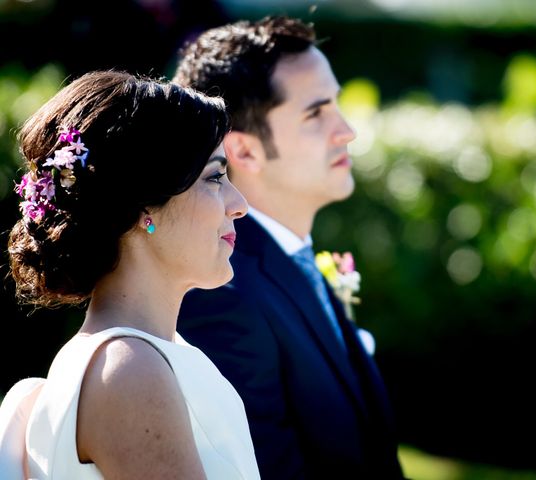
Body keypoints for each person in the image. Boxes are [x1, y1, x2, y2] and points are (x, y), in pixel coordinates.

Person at [174, 16, 405, 479]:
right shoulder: (223, 293)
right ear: (244, 152)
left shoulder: (292, 261)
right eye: (316, 113)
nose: (346, 131)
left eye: (336, 105)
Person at [0, 70, 260, 479]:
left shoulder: (148, 354)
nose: (239, 203)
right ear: (145, 209)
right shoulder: (128, 369)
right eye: (214, 177)